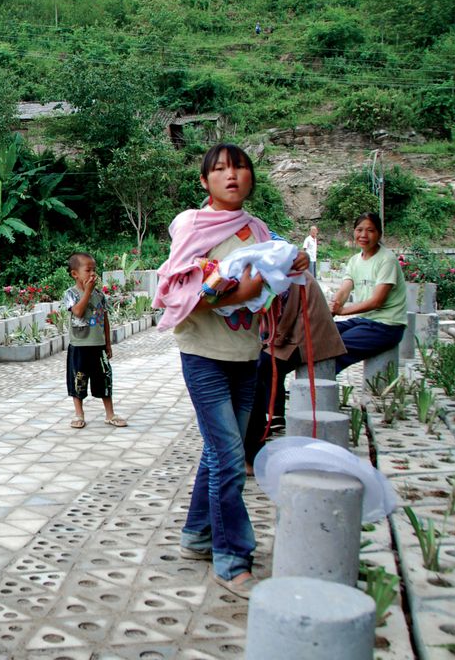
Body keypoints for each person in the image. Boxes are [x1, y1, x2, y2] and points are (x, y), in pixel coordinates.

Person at [153, 143, 307, 600]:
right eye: (219, 169)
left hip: (246, 353)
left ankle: (196, 536)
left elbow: (278, 273)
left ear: (251, 177)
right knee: (228, 457)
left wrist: (293, 264)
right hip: (203, 352)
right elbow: (189, 286)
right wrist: (246, 289)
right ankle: (232, 558)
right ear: (205, 182)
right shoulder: (191, 224)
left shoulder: (259, 230)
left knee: (224, 450)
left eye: (239, 167)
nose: (231, 175)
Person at [244, 271, 345, 467]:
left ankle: (255, 449)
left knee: (256, 369)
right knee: (260, 367)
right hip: (295, 335)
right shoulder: (280, 269)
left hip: (306, 337)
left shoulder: (283, 275)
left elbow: (285, 317)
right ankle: (274, 417)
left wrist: (267, 341)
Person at [330, 212, 408, 372]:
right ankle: (306, 388)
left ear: (379, 234)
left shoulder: (387, 259)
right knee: (323, 334)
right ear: (354, 232)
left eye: (370, 230)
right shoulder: (354, 260)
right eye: (359, 230)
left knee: (335, 348)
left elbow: (377, 301)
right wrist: (333, 307)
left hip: (387, 326)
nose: (364, 235)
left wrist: (343, 311)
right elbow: (345, 289)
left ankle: (318, 392)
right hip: (364, 322)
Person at [63, 252, 126, 429]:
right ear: (75, 274)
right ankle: (79, 414)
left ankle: (110, 413)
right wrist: (87, 292)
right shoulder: (71, 294)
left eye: (94, 270)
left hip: (98, 346)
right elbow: (78, 312)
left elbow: (105, 319)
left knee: (105, 378)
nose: (92, 274)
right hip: (80, 346)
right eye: (88, 270)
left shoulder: (99, 294)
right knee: (79, 379)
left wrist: (107, 343)